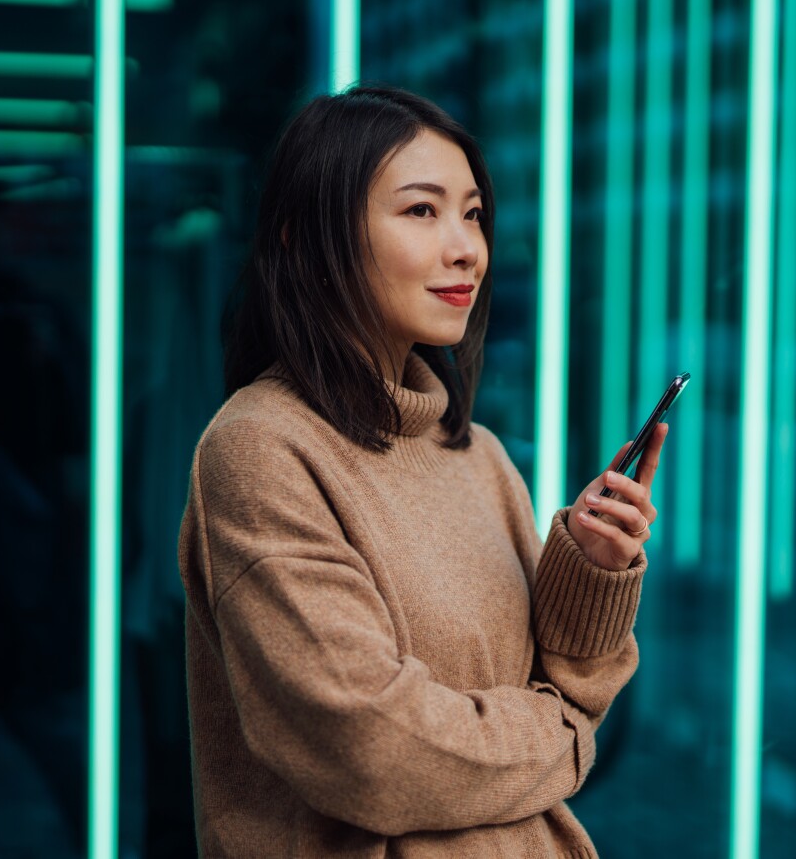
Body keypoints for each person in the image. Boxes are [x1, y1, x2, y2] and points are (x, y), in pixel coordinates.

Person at [178, 85, 668, 857]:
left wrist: (591, 571)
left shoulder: (477, 456)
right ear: (305, 239)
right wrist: (562, 738)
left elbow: (572, 684)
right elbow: (372, 749)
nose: (466, 247)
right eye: (421, 210)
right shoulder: (260, 452)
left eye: (472, 214)